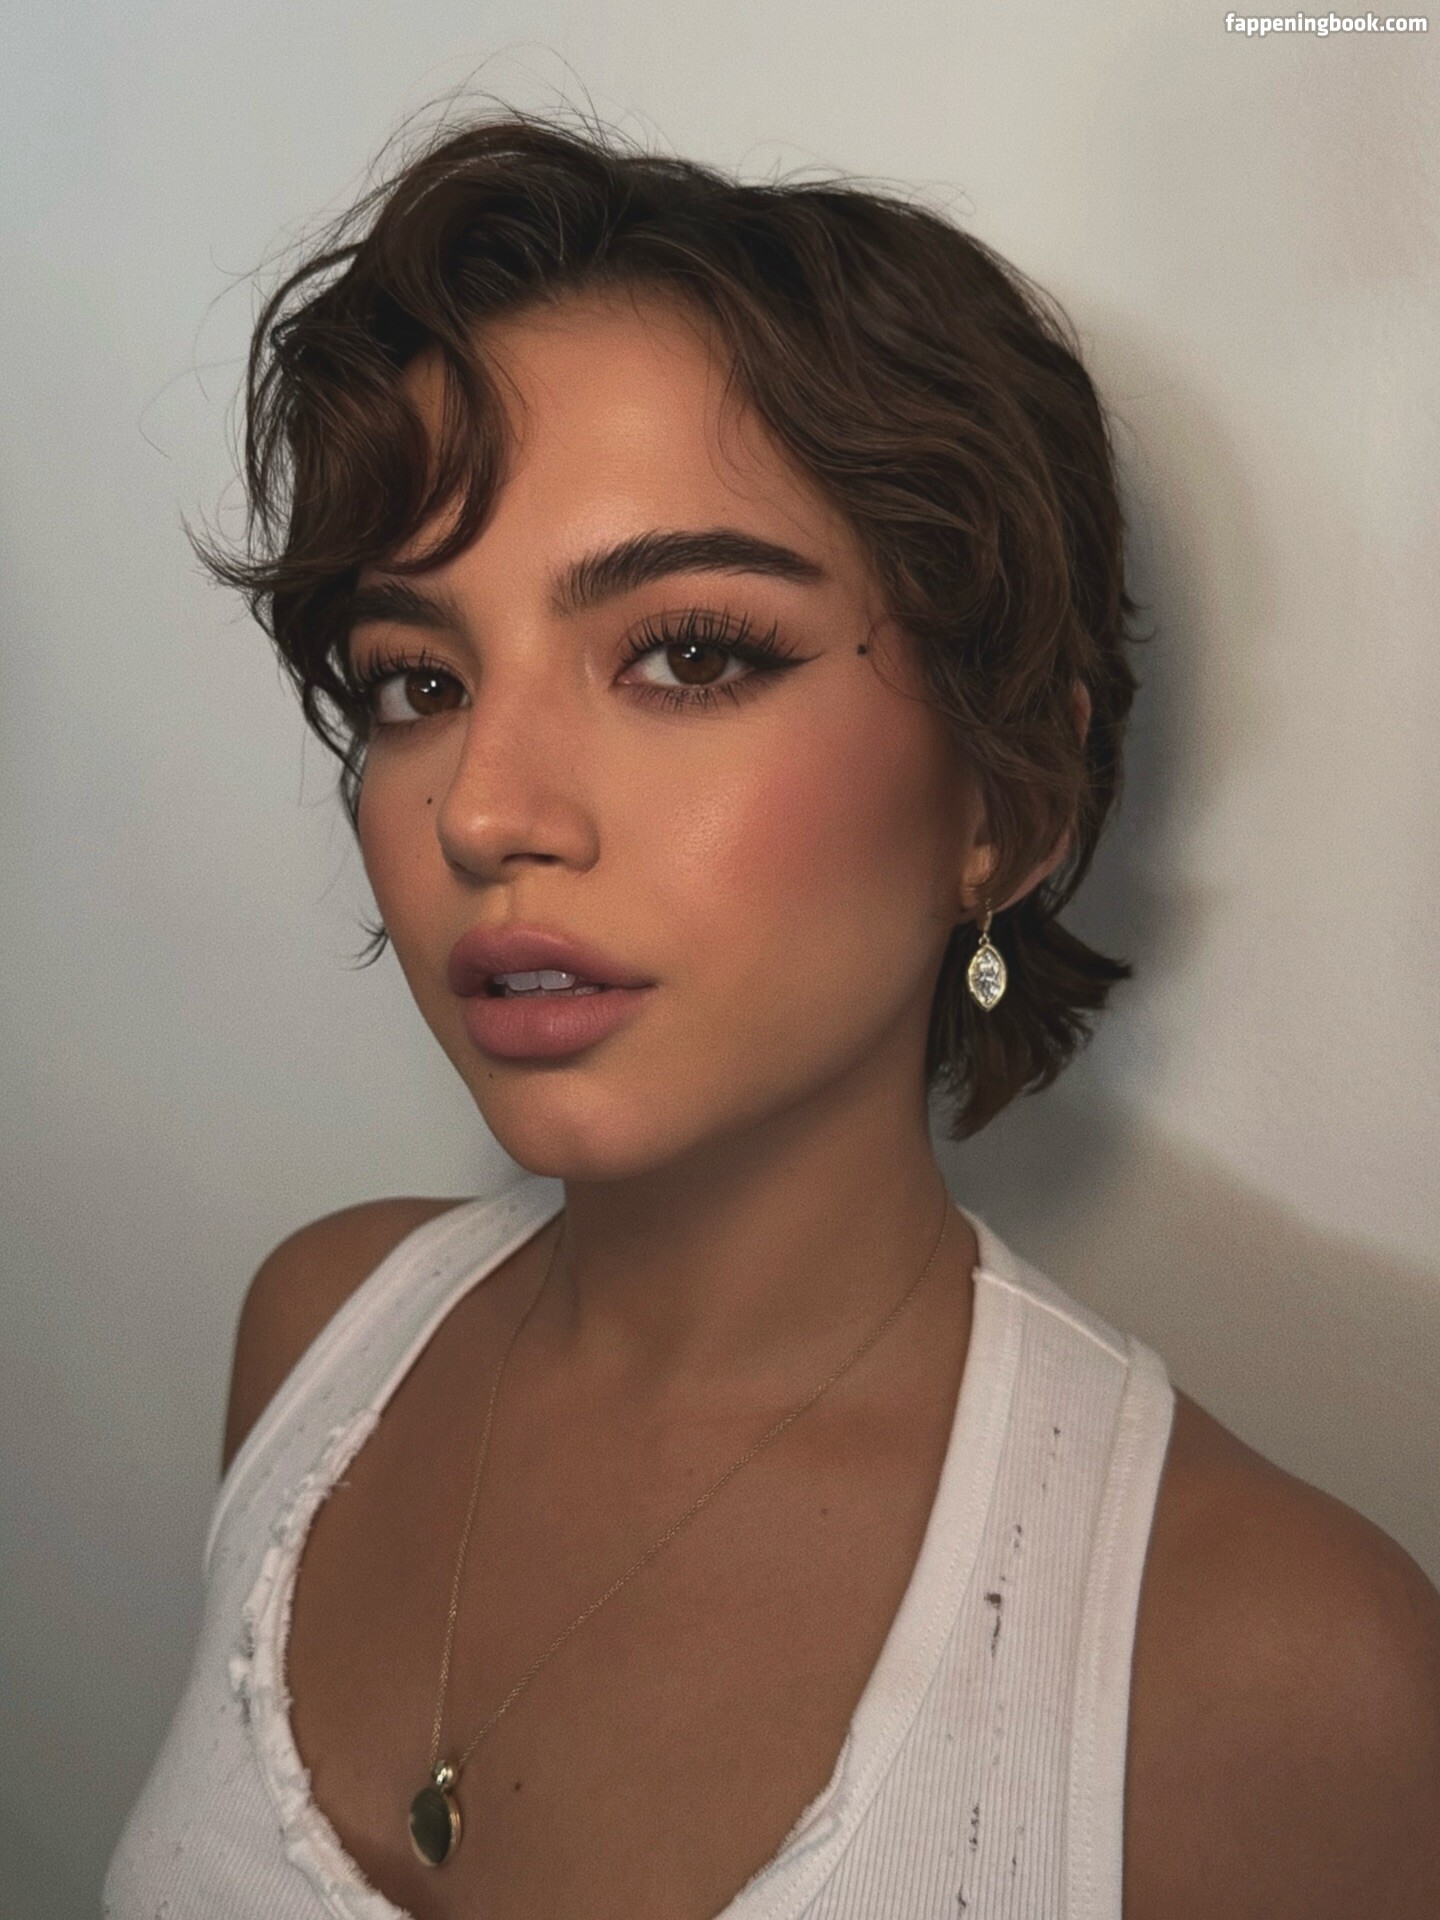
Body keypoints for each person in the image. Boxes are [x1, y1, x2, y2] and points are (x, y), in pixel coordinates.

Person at [103, 109, 1440, 1920]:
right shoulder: (315, 1333)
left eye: (689, 654)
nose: (484, 809)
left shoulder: (1280, 1675)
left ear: (1007, 799)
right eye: (416, 679)